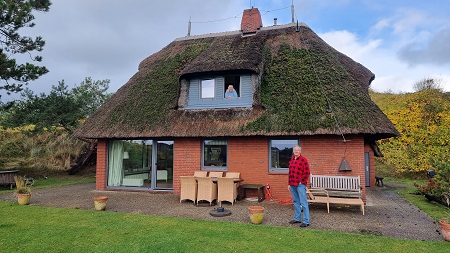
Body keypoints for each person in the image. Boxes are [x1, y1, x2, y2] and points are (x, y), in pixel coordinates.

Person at [288, 145, 311, 227]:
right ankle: (297, 218)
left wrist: (302, 181)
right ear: (293, 151)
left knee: (303, 202)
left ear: (300, 151)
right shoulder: (291, 160)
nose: (296, 151)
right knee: (295, 202)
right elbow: (290, 173)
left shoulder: (303, 160)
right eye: (295, 150)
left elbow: (307, 172)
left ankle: (306, 221)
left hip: (300, 185)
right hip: (292, 184)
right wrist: (289, 184)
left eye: (298, 150)